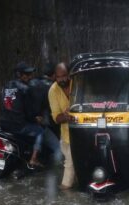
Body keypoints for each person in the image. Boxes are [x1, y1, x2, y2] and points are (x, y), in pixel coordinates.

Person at [0, 62, 44, 166]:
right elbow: (29, 113)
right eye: (27, 74)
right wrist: (36, 119)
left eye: (30, 74)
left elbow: (4, 106)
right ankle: (34, 159)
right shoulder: (25, 89)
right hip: (18, 125)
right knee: (40, 131)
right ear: (19, 75)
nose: (30, 77)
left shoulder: (5, 86)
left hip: (3, 125)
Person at [48, 62, 75, 190]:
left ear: (69, 74)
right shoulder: (53, 91)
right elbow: (56, 118)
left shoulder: (77, 83)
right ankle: (65, 194)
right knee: (70, 165)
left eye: (64, 76)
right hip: (67, 137)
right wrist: (65, 116)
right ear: (55, 77)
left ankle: (66, 190)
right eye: (59, 77)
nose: (62, 79)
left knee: (72, 165)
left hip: (82, 132)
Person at [28, 63, 61, 163]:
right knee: (58, 149)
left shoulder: (32, 82)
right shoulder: (52, 87)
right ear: (54, 75)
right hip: (38, 123)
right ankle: (57, 173)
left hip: (26, 121)